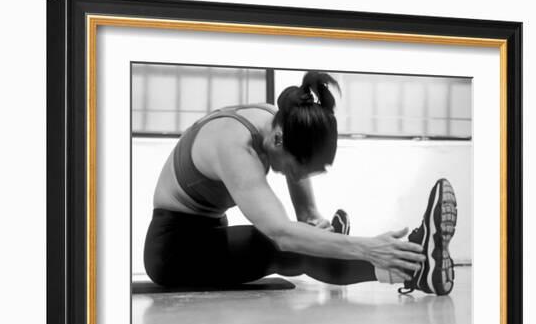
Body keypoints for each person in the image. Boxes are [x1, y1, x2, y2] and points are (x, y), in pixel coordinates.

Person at [143, 71, 457, 295]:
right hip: (174, 250)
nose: (296, 177)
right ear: (279, 140)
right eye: (296, 169)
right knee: (280, 246)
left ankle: (412, 260)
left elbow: (305, 212)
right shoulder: (233, 144)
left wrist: (316, 225)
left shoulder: (280, 122)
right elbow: (281, 234)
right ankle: (414, 267)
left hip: (209, 232)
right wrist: (366, 247)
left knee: (303, 237)